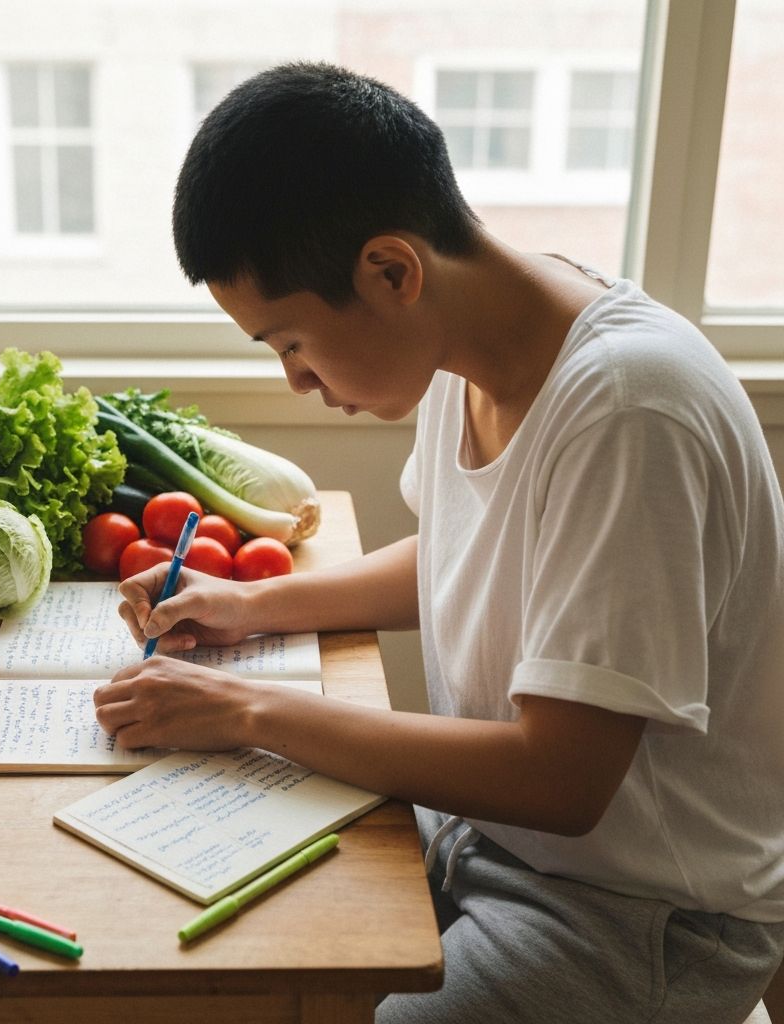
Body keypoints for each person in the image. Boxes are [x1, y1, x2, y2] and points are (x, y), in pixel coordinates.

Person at [93, 62, 784, 1022]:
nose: (295, 379)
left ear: (391, 271)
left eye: (289, 342)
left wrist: (246, 709)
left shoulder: (629, 409)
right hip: (480, 841)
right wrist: (250, 604)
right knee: (222, 955)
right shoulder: (466, 346)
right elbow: (468, 554)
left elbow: (562, 777)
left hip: (638, 914)